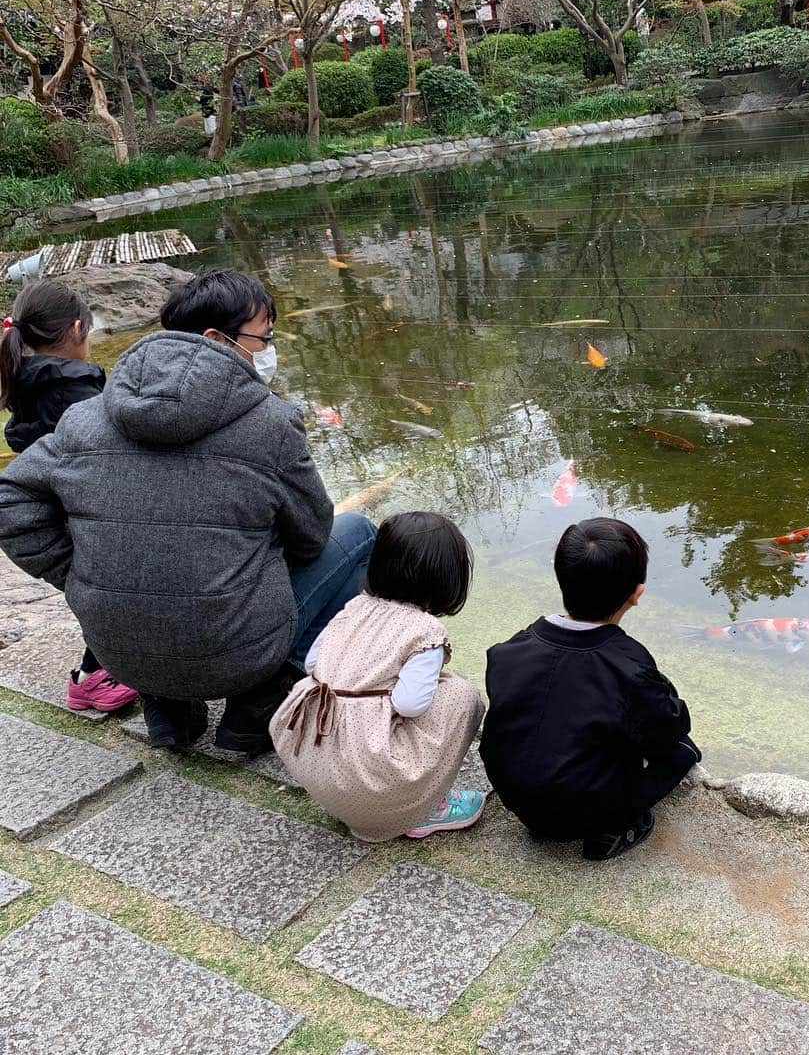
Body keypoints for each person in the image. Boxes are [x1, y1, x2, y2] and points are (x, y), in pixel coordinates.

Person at [0, 269, 375, 754]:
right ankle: (259, 699)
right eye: (264, 337)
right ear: (218, 339)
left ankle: (168, 707)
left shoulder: (86, 417)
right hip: (237, 654)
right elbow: (311, 537)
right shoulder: (272, 423)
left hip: (120, 655)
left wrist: (76, 573)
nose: (268, 349)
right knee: (359, 531)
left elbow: (10, 500)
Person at [480, 517, 701, 861]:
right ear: (636, 594)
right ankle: (614, 828)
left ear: (560, 577)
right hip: (582, 809)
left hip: (513, 795)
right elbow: (668, 727)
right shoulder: (628, 663)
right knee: (682, 749)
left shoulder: (510, 649)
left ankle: (550, 814)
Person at [271, 511, 486, 841]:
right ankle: (424, 808)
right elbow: (410, 704)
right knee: (460, 695)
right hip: (371, 780)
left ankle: (360, 803)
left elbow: (315, 664)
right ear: (446, 578)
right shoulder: (424, 631)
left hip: (319, 766)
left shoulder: (354, 607)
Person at [0, 283, 138, 713]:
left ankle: (99, 671)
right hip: (80, 509)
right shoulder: (72, 391)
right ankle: (91, 679)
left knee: (99, 599)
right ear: (77, 329)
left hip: (58, 505)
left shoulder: (29, 377)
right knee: (109, 599)